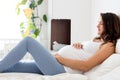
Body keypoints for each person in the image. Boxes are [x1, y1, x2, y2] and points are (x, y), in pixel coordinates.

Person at [0, 12, 120, 75]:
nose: (97, 25)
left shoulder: (109, 46)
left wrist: (61, 59)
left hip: (60, 68)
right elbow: (85, 53)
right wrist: (79, 46)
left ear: (109, 25)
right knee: (13, 67)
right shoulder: (97, 40)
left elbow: (86, 65)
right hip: (56, 64)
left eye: (101, 23)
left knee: (28, 41)